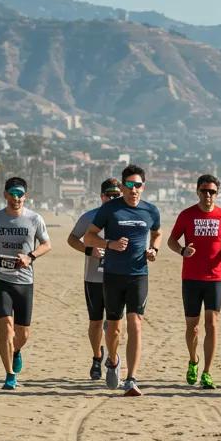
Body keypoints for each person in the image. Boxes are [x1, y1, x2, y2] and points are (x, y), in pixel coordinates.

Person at [83, 164, 162, 397]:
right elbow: (89, 236)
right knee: (114, 329)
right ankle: (113, 361)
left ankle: (131, 378)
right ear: (123, 186)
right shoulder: (111, 210)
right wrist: (110, 245)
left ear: (143, 187)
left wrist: (154, 249)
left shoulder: (151, 211)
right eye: (129, 185)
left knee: (136, 323)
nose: (133, 189)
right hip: (113, 275)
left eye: (138, 185)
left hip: (139, 275)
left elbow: (157, 233)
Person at [0, 176, 51, 390]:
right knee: (5, 328)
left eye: (20, 194)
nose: (16, 198)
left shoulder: (34, 219)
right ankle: (9, 375)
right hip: (1, 279)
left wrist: (30, 257)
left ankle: (16, 351)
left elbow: (47, 244)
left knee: (22, 333)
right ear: (5, 195)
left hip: (25, 282)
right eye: (12, 194)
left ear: (26, 196)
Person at [169, 174, 221, 389]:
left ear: (217, 193)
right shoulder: (187, 215)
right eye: (204, 191)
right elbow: (171, 240)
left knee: (212, 324)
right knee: (193, 327)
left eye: (212, 191)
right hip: (191, 278)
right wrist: (182, 250)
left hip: (215, 277)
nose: (208, 195)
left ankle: (207, 371)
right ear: (197, 191)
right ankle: (193, 360)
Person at [66, 178, 122, 379]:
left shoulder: (124, 218)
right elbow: (72, 239)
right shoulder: (90, 217)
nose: (113, 198)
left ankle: (113, 358)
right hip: (93, 278)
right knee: (95, 322)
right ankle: (97, 356)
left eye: (117, 195)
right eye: (109, 195)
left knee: (115, 324)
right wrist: (89, 250)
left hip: (118, 278)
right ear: (102, 196)